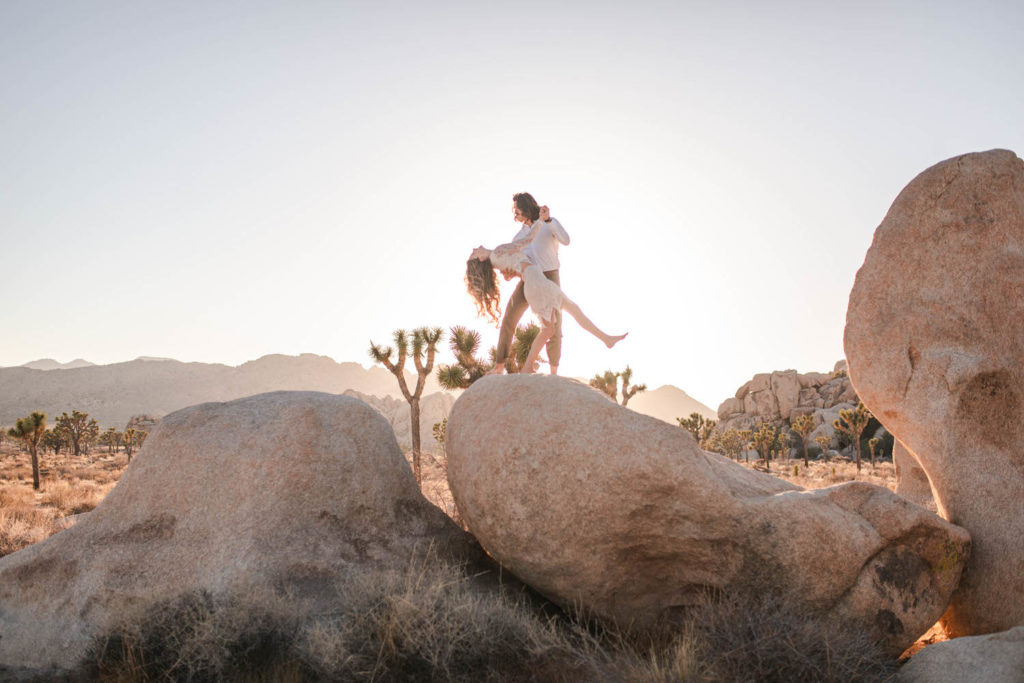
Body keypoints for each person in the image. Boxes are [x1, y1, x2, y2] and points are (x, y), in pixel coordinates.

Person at [466, 222, 627, 374]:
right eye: (474, 253)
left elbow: (519, 265)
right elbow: (527, 240)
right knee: (550, 327)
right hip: (535, 283)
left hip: (537, 281)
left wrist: (512, 273)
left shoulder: (497, 258)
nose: (475, 248)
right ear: (480, 259)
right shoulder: (497, 252)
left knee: (572, 310)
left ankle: (606, 338)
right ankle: (527, 367)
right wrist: (540, 222)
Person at [490, 193, 569, 375]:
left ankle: (554, 371)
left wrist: (549, 220)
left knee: (554, 325)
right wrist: (509, 273)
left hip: (550, 276)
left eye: (516, 211)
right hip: (529, 278)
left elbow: (566, 240)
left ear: (526, 208)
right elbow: (515, 261)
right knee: (510, 316)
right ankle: (499, 365)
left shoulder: (548, 224)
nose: (514, 215)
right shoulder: (519, 236)